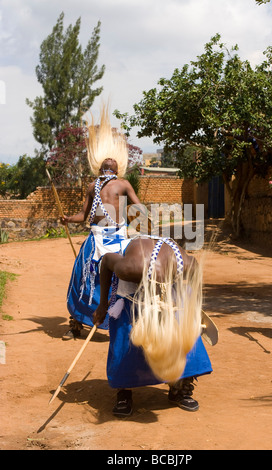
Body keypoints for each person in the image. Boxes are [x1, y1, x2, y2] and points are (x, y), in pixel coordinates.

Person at [93, 235, 216, 417]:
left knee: (186, 333)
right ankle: (124, 391)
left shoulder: (187, 266)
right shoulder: (128, 269)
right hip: (133, 288)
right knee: (126, 336)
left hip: (168, 286)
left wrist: (193, 310)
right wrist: (102, 306)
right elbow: (106, 261)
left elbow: (195, 278)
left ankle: (180, 387)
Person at [61, 105, 143, 339]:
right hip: (95, 238)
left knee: (123, 280)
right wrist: (68, 219)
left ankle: (123, 323)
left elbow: (138, 208)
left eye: (110, 167)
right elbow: (82, 215)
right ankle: (77, 323)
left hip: (118, 238)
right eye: (106, 167)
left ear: (116, 170)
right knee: (82, 278)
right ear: (101, 169)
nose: (108, 169)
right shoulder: (91, 187)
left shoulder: (124, 185)